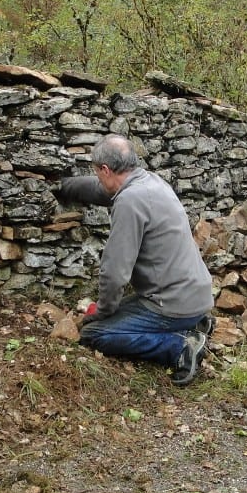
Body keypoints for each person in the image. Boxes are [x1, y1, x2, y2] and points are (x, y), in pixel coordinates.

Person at [56, 134, 215, 386]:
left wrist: (102, 312)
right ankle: (195, 322)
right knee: (122, 313)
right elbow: (100, 189)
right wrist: (64, 186)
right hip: (195, 295)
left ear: (105, 169)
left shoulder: (130, 200)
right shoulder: (151, 182)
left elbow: (115, 272)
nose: (98, 178)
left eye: (97, 172)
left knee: (95, 333)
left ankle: (180, 346)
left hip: (170, 303)